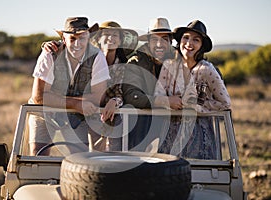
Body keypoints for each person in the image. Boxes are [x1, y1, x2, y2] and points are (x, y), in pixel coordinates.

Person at [41, 20, 138, 151]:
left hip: (107, 114)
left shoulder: (122, 66)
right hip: (84, 112)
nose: (110, 38)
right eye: (106, 34)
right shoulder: (87, 56)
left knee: (108, 154)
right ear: (98, 38)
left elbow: (120, 90)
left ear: (120, 40)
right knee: (86, 154)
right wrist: (49, 45)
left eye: (115, 35)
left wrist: (115, 101)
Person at [28, 17, 110, 155]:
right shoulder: (50, 54)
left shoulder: (97, 56)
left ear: (89, 38)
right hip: (44, 112)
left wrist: (58, 99)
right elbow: (39, 98)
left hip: (77, 115)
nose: (77, 43)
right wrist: (75, 103)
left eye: (82, 38)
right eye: (72, 38)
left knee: (80, 158)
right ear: (64, 39)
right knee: (38, 156)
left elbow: (98, 97)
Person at [154, 20, 231, 159]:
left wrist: (196, 105)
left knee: (198, 176)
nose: (189, 43)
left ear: (201, 46)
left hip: (199, 136)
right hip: (169, 134)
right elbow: (157, 96)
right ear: (180, 41)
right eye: (186, 38)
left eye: (196, 40)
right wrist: (168, 101)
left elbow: (225, 103)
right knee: (170, 176)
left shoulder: (206, 70)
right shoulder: (168, 66)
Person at [122, 17, 176, 151]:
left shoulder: (180, 60)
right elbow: (131, 95)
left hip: (173, 123)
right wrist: (165, 101)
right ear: (148, 42)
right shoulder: (136, 62)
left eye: (164, 39)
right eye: (154, 39)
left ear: (170, 42)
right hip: (142, 125)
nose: (159, 44)